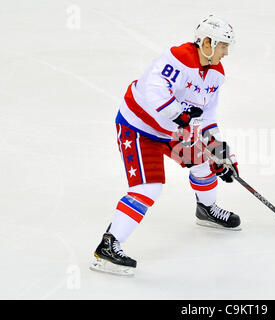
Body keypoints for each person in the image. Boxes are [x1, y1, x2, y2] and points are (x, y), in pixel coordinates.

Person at [90, 15, 240, 276]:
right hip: (139, 128)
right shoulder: (178, 58)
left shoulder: (215, 75)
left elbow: (205, 117)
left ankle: (206, 209)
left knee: (205, 162)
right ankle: (109, 245)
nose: (226, 52)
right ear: (207, 42)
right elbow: (154, 87)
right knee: (149, 188)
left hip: (172, 130)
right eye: (223, 46)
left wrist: (220, 153)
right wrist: (178, 114)